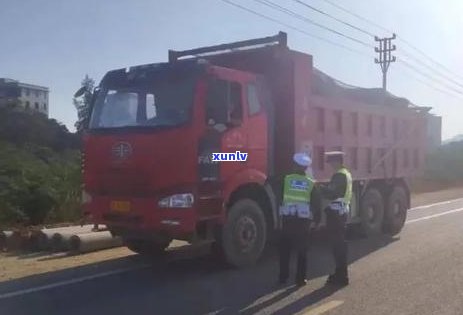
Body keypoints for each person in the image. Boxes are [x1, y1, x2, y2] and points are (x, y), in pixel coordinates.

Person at [278, 152, 322, 286]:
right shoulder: (310, 183)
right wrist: (317, 220)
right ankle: (300, 279)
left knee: (285, 249)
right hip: (303, 221)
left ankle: (283, 277)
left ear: (294, 165)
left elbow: (279, 196)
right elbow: (316, 203)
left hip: (288, 218)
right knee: (302, 250)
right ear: (305, 168)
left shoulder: (286, 179)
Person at [320, 151, 353, 287]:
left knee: (338, 245)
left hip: (336, 213)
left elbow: (333, 193)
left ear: (337, 162)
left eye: (331, 162)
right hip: (342, 211)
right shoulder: (346, 173)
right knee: (339, 244)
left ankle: (341, 275)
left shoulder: (339, 175)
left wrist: (319, 188)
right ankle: (340, 274)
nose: (330, 165)